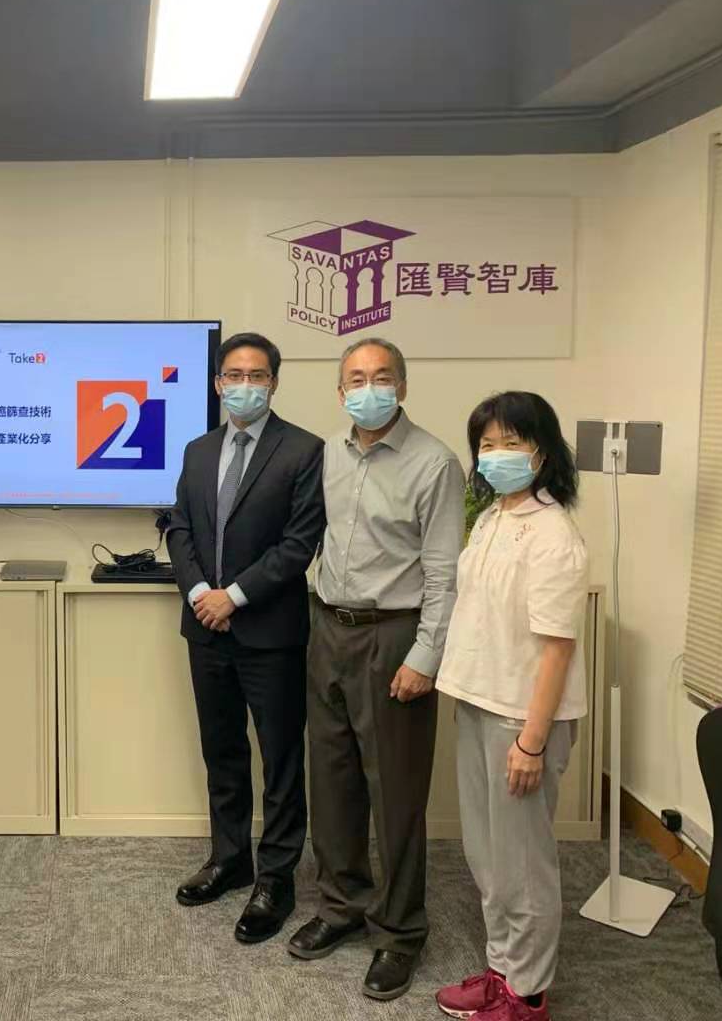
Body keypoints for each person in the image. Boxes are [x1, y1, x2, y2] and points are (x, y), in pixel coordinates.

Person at [292, 336, 465, 1001]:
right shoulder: (328, 455)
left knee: (394, 793)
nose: (369, 389)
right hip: (327, 628)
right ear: (340, 392)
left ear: (402, 385)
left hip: (393, 636)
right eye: (356, 379)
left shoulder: (434, 463)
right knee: (331, 781)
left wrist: (425, 656)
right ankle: (341, 906)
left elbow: (444, 572)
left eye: (381, 377)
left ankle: (398, 931)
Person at [166, 331, 326, 944]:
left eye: (257, 375)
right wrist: (198, 594)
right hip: (205, 629)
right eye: (233, 375)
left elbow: (299, 543)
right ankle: (230, 858)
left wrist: (231, 596)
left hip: (270, 631)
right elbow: (179, 529)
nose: (244, 385)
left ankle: (276, 879)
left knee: (281, 759)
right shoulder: (197, 450)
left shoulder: (303, 450)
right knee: (223, 750)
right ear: (217, 383)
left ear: (274, 383)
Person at [433, 392, 587, 1021]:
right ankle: (502, 970)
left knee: (522, 864)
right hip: (479, 701)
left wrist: (531, 740)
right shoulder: (495, 516)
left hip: (521, 719)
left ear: (542, 451)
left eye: (511, 443)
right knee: (489, 856)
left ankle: (527, 994)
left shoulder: (553, 534)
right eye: (486, 444)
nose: (496, 455)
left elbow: (557, 648)